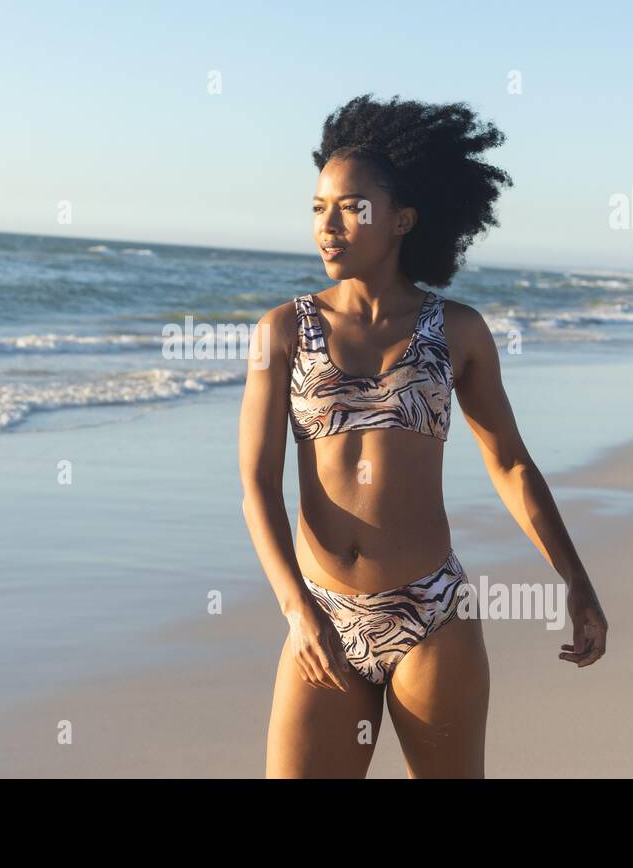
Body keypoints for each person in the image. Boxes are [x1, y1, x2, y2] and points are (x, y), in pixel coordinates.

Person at [238, 94, 608, 778]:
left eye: (352, 207)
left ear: (403, 219)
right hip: (321, 613)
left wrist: (575, 581)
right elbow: (257, 485)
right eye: (319, 208)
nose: (329, 225)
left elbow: (511, 466)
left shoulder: (457, 332)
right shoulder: (282, 332)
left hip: (430, 613)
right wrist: (296, 610)